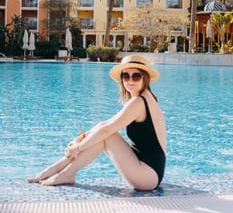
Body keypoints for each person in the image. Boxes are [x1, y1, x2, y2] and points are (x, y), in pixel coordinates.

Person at [27, 55, 166, 190]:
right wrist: (78, 140)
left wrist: (78, 148)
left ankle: (64, 173)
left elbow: (106, 130)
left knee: (106, 135)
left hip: (148, 176)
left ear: (144, 78)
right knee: (103, 133)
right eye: (126, 76)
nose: (130, 81)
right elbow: (103, 125)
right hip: (146, 168)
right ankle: (57, 169)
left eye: (136, 76)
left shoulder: (138, 102)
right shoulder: (143, 98)